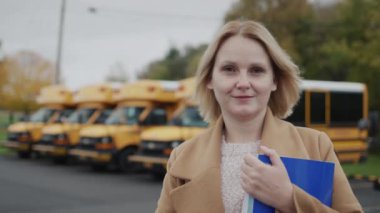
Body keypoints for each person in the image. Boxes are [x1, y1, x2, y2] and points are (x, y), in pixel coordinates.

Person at [156, 20, 363, 213]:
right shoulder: (181, 157)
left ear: (274, 80)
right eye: (229, 69)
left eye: (256, 70)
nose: (243, 83)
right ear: (210, 79)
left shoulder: (316, 146)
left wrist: (290, 200)